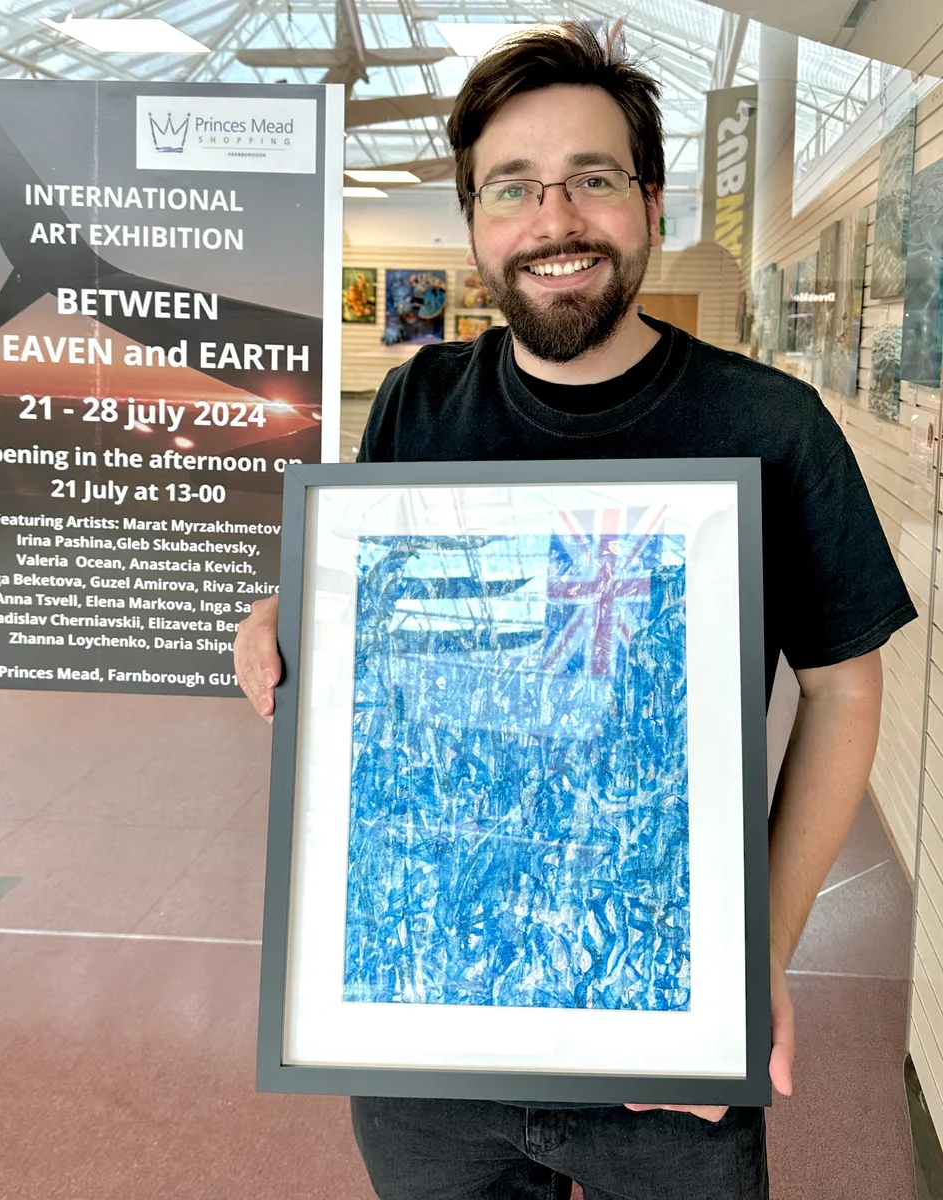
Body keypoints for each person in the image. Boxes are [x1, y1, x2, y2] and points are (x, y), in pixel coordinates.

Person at [234, 21, 915, 1200]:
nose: (555, 220)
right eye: (514, 188)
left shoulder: (769, 424)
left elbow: (843, 682)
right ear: (476, 224)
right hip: (427, 1018)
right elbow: (373, 604)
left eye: (592, 180)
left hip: (666, 1025)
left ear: (648, 204)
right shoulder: (420, 402)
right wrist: (285, 611)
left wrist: (753, 952)